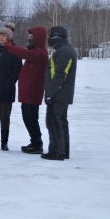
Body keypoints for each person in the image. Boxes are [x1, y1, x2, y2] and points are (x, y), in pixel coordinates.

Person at [3, 27, 48, 154]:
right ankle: (35, 142)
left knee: (30, 118)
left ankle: (37, 143)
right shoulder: (35, 51)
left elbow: (23, 53)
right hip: (28, 91)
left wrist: (8, 47)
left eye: (31, 38)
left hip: (32, 92)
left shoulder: (40, 53)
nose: (29, 40)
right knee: (29, 117)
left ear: (38, 39)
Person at [41, 25, 77, 161]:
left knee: (54, 121)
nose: (48, 38)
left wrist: (50, 93)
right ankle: (62, 151)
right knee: (60, 121)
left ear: (56, 37)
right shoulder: (63, 50)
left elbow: (60, 75)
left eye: (50, 35)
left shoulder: (64, 52)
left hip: (59, 93)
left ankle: (57, 152)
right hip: (61, 93)